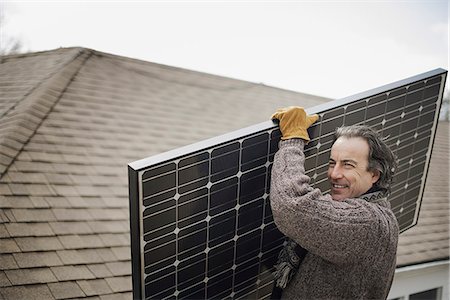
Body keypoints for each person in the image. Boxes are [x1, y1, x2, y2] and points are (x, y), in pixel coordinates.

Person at [269, 106, 399, 300]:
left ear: (374, 175)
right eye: (332, 163)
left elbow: (291, 205)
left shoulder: (367, 223)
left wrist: (292, 141)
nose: (334, 174)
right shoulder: (378, 213)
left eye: (348, 164)